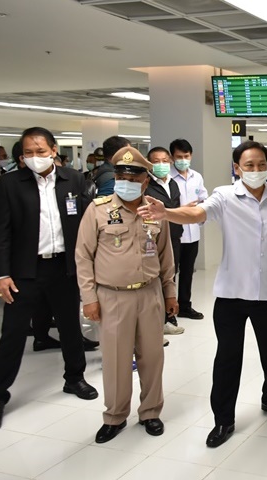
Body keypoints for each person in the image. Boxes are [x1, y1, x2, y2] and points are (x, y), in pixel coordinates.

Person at [138, 140, 267, 449]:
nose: (256, 170)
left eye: (261, 164)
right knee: (228, 358)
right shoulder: (226, 196)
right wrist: (166, 213)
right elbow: (196, 213)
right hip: (232, 295)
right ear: (237, 168)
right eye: (249, 165)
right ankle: (223, 419)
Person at [0, 127, 97, 431]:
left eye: (41, 151)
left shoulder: (73, 179)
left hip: (64, 267)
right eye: (28, 153)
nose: (35, 157)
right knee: (14, 333)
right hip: (24, 271)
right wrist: (2, 274)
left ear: (54, 150)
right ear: (21, 155)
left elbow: (86, 223)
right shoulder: (9, 184)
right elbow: (1, 232)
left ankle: (74, 378)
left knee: (71, 327)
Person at [75, 146, 177, 444]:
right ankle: (115, 416)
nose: (125, 182)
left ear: (145, 181)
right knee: (117, 359)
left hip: (150, 294)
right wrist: (89, 298)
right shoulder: (98, 210)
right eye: (120, 176)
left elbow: (165, 257)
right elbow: (83, 256)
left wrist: (170, 293)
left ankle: (150, 412)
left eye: (133, 178)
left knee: (152, 357)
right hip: (111, 297)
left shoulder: (156, 211)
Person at [145, 146, 185, 335]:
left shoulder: (173, 183)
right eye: (156, 161)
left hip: (174, 236)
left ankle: (168, 316)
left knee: (170, 275)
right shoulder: (148, 186)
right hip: (153, 239)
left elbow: (174, 209)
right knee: (157, 278)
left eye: (164, 161)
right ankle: (157, 322)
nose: (161, 165)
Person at [170, 138, 208, 319]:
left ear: (191, 156)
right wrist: (184, 208)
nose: (183, 159)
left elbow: (204, 199)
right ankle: (169, 311)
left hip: (193, 233)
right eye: (179, 156)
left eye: (186, 156)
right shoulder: (166, 177)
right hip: (174, 234)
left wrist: (199, 208)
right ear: (172, 157)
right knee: (170, 274)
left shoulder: (197, 177)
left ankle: (185, 305)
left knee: (187, 272)